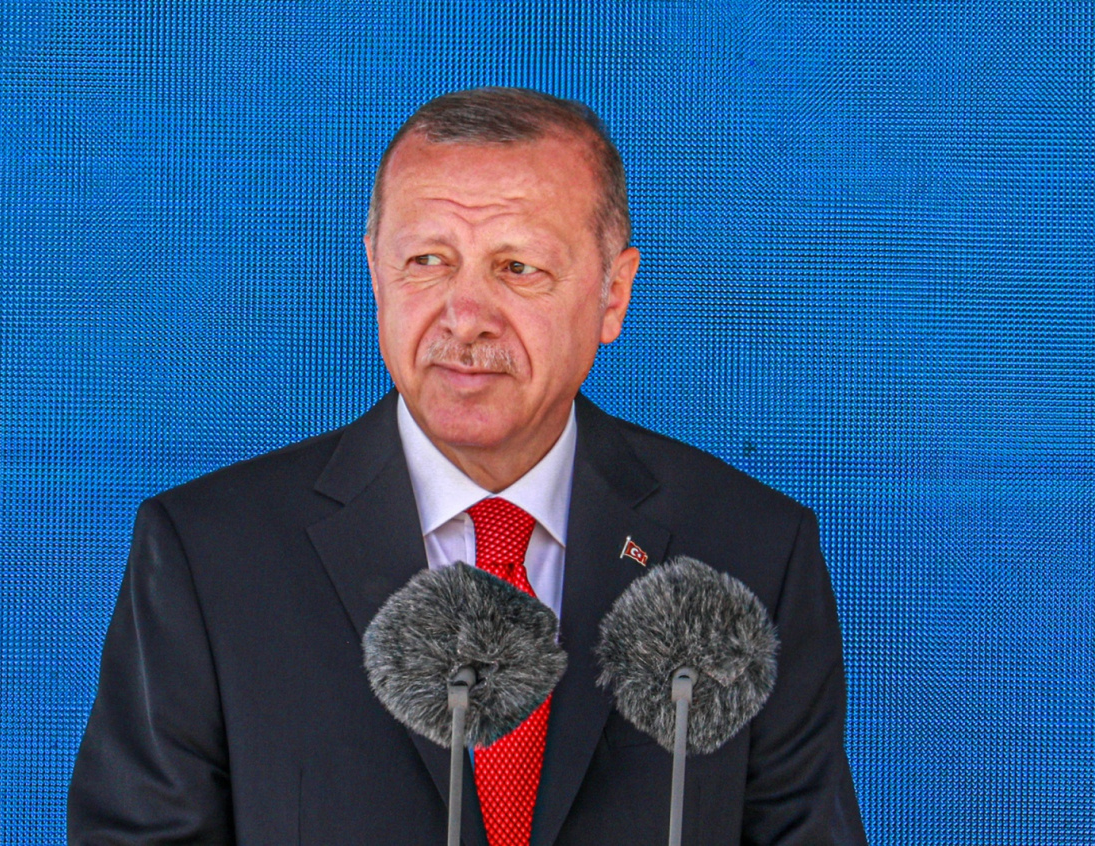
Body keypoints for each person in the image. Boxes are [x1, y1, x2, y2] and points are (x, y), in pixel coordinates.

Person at [69, 87, 867, 845]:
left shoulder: (752, 550)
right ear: (375, 272)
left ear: (613, 294)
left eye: (518, 268)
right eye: (427, 260)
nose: (465, 316)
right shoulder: (211, 554)